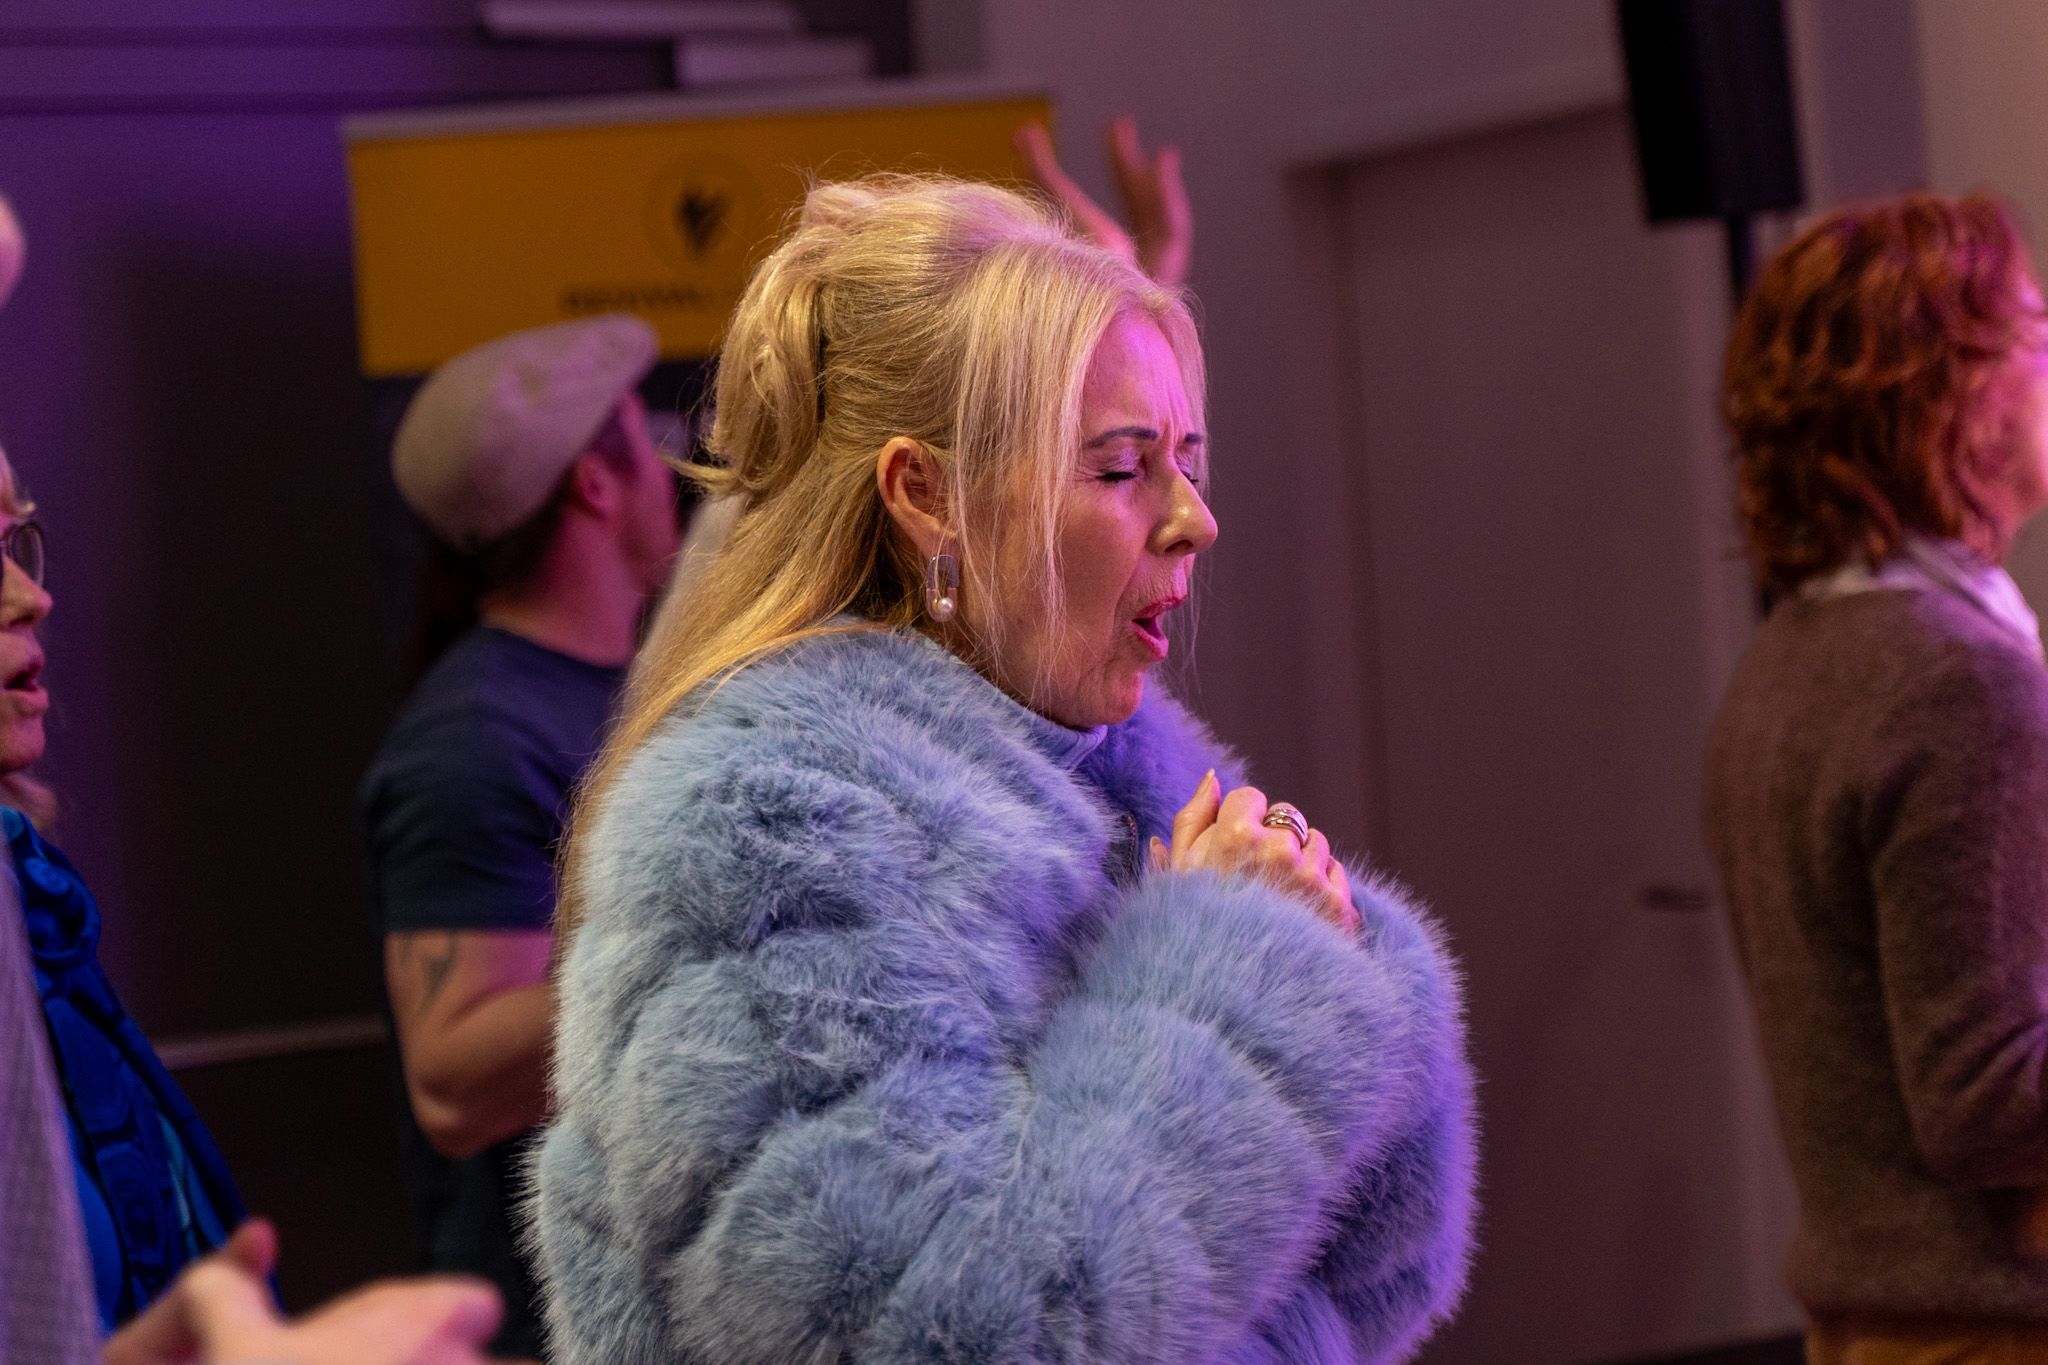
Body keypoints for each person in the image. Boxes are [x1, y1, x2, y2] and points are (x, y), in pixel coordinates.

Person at [531, 174, 1477, 1363]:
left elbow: (1369, 1283)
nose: (1193, 518)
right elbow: (959, 1336)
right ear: (926, 497)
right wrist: (1237, 979)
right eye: (1121, 469)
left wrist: (1336, 972)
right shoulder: (763, 833)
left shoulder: (1108, 769)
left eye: (1186, 461)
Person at [1707, 192, 2048, 1362]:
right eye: (2027, 330)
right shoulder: (1958, 682)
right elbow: (1982, 1098)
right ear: (1941, 395)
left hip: (1875, 1327)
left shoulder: (1786, 663)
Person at [359, 313, 682, 1357]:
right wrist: (711, 953)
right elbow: (450, 1084)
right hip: (549, 1328)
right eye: (650, 440)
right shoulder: (472, 742)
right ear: (594, 483)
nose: (674, 469)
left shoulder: (638, 680)